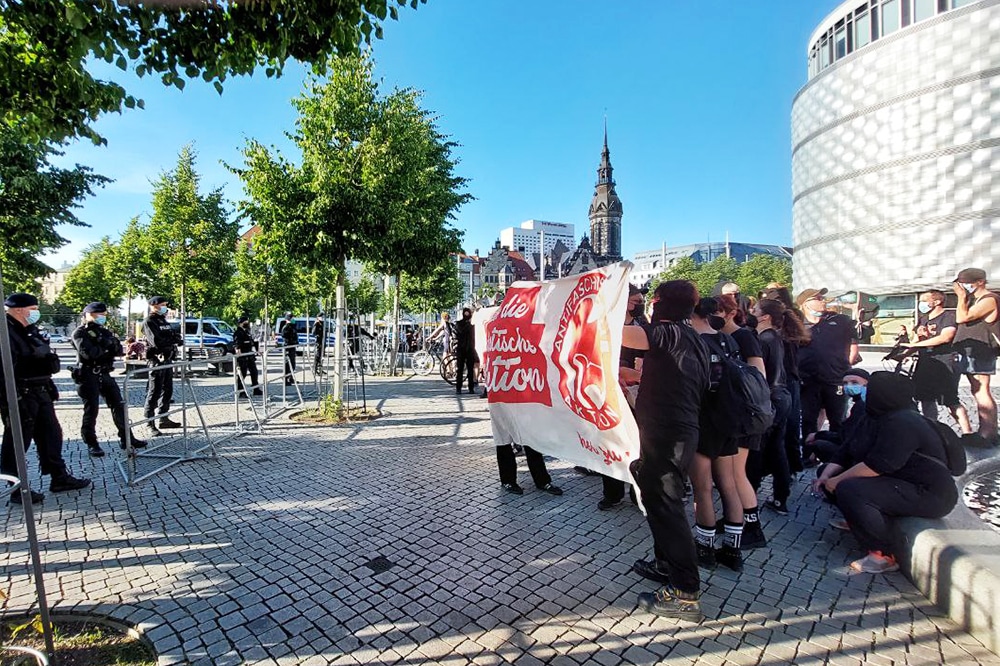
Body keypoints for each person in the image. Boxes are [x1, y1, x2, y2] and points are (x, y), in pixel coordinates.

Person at [623, 280, 710, 621]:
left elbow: (613, 334)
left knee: (668, 508)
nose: (648, 306)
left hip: (669, 437)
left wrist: (607, 303)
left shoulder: (669, 333)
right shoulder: (690, 337)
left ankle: (685, 593)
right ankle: (665, 564)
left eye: (652, 301)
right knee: (659, 505)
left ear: (661, 303)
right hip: (674, 432)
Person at [815, 372, 958, 573]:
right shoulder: (876, 417)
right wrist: (827, 476)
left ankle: (882, 554)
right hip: (900, 481)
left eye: (871, 389)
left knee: (850, 488)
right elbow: (846, 450)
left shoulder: (903, 422)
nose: (866, 393)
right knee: (833, 477)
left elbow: (877, 466)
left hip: (929, 493)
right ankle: (856, 521)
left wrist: (837, 480)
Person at [1, 293, 90, 504]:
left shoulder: (29, 329)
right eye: (33, 309)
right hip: (20, 394)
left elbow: (44, 356)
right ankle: (16, 488)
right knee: (17, 442)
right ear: (18, 309)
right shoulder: (5, 332)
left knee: (52, 434)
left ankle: (59, 477)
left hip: (40, 390)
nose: (36, 312)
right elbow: (9, 368)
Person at [688, 297, 746, 572]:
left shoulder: (695, 342)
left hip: (704, 419)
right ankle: (733, 550)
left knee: (702, 488)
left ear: (692, 315)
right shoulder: (728, 340)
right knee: (729, 485)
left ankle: (705, 548)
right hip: (729, 417)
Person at [71, 302, 147, 457]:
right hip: (88, 374)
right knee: (91, 410)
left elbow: (118, 350)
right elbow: (89, 354)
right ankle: (92, 443)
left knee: (119, 405)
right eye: (99, 314)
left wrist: (106, 346)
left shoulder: (104, 331)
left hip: (105, 374)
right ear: (88, 315)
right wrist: (106, 347)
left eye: (104, 315)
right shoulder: (80, 333)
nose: (102, 317)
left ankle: (127, 438)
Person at [796, 287, 859, 463]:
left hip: (835, 378)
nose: (822, 301)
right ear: (805, 304)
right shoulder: (797, 325)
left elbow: (859, 335)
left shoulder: (839, 320)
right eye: (817, 298)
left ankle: (837, 458)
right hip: (808, 381)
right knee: (808, 420)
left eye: (822, 297)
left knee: (838, 420)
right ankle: (809, 455)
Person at [599, 283, 646, 511]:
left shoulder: (643, 326)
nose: (640, 305)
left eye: (641, 302)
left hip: (638, 393)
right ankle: (612, 492)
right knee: (611, 444)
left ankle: (638, 493)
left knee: (638, 446)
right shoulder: (605, 325)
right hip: (611, 392)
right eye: (636, 301)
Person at [908, 290, 972, 434]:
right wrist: (904, 353)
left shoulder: (948, 317)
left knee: (950, 400)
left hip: (945, 361)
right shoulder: (923, 319)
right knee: (926, 398)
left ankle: (968, 433)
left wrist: (916, 344)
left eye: (924, 300)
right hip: (926, 361)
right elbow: (916, 341)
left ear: (936, 302)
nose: (920, 304)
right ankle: (932, 430)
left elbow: (945, 337)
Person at [951, 268, 1000, 444]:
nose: (963, 287)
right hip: (971, 350)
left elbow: (962, 317)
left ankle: (988, 433)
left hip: (981, 350)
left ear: (980, 282)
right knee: (976, 389)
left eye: (966, 283)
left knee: (981, 389)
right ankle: (986, 430)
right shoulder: (974, 299)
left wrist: (960, 297)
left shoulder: (989, 299)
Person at [142, 296, 182, 436]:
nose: (165, 307)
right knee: (154, 392)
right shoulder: (149, 322)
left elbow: (173, 336)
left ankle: (163, 418)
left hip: (167, 359)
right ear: (154, 306)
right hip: (156, 360)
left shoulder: (162, 320)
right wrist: (172, 340)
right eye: (163, 305)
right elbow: (156, 341)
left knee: (167, 390)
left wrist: (175, 339)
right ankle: (149, 422)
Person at [233, 315, 261, 398]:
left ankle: (256, 389)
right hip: (243, 356)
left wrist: (256, 350)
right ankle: (241, 392)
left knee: (254, 372)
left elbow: (251, 342)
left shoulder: (247, 332)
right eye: (246, 322)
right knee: (242, 374)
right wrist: (239, 355)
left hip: (249, 355)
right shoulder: (238, 333)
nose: (247, 324)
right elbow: (237, 345)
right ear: (241, 323)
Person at [454, 307, 476, 395]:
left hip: (469, 349)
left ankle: (470, 388)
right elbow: (460, 332)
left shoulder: (472, 324)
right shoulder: (461, 324)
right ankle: (459, 388)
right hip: (462, 349)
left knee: (470, 369)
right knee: (461, 369)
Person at [281, 312, 298, 385]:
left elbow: (295, 335)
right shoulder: (286, 327)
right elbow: (285, 336)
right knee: (287, 364)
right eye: (292, 318)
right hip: (288, 347)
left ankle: (291, 378)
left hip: (292, 347)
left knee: (293, 364)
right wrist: (292, 341)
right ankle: (285, 379)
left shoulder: (293, 326)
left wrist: (296, 342)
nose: (293, 319)